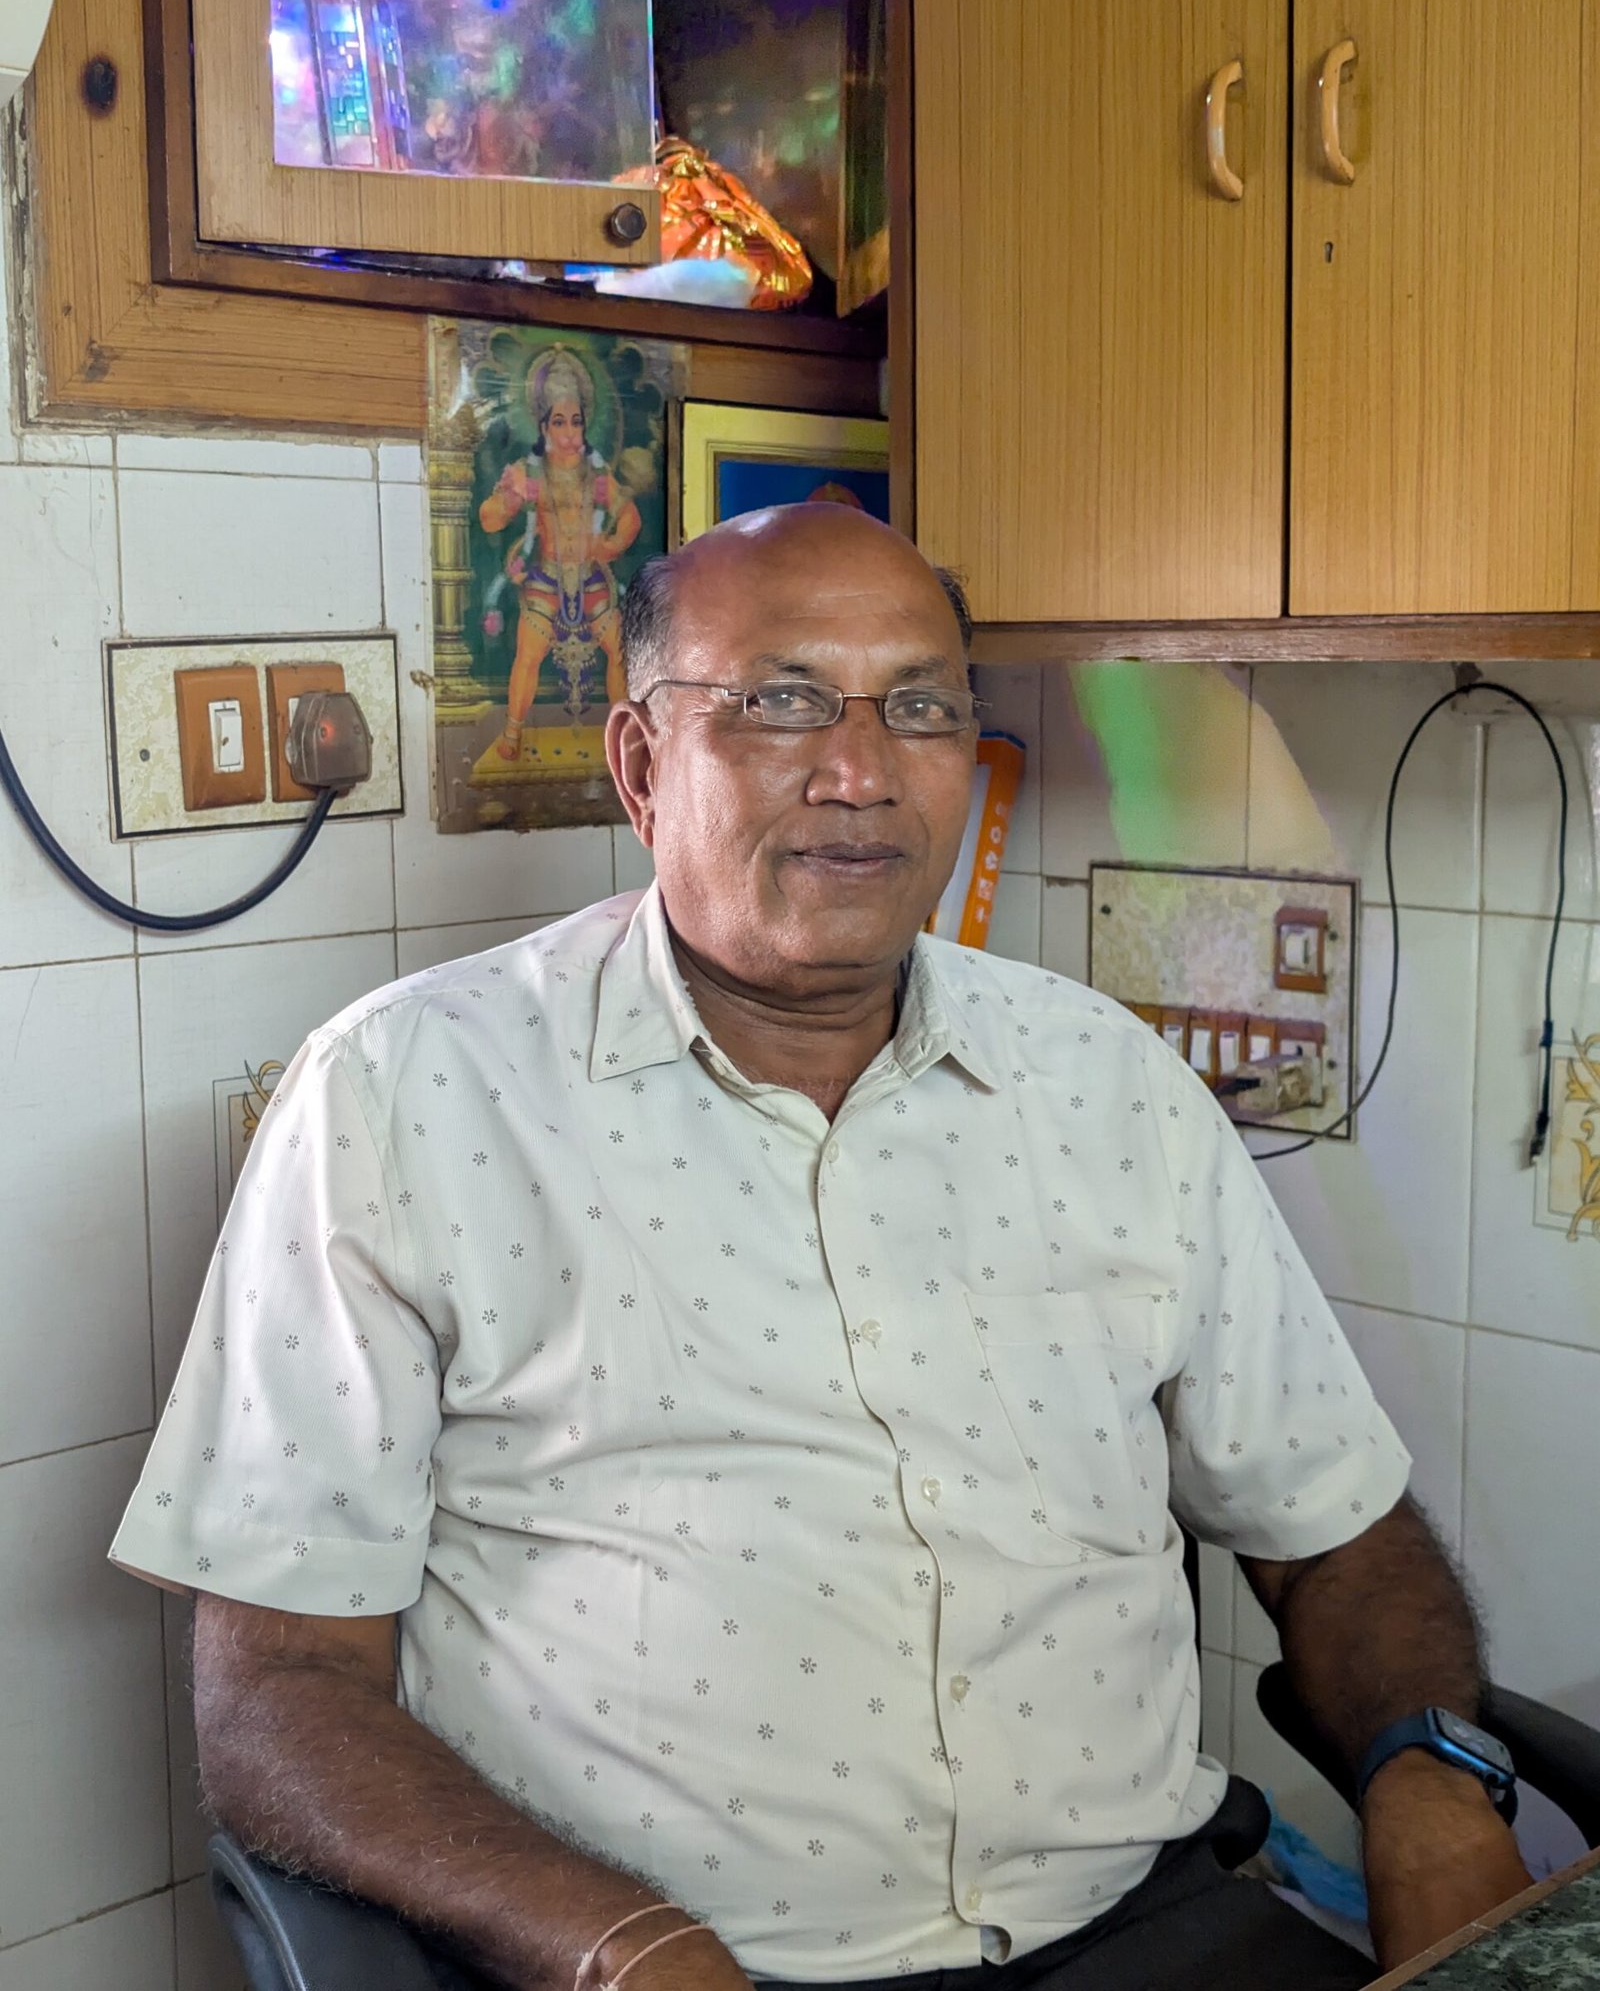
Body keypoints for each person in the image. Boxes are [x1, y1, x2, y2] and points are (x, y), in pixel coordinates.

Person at [110, 504, 1529, 1991]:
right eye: (781, 703)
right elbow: (280, 1692)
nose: (860, 773)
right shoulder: (402, 1095)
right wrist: (620, 1946)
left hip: (1141, 1926)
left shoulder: (1107, 1082)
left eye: (919, 709)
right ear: (642, 765)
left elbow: (1334, 1525)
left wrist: (1431, 1779)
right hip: (660, 1964)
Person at [478, 345, 639, 753]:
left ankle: (623, 736)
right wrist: (508, 498)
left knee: (620, 649)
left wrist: (609, 546)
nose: (569, 432)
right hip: (545, 578)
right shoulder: (528, 473)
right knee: (527, 654)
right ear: (544, 426)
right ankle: (513, 733)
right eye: (559, 422)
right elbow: (489, 519)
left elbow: (630, 518)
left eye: (576, 422)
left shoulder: (599, 474)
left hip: (591, 579)